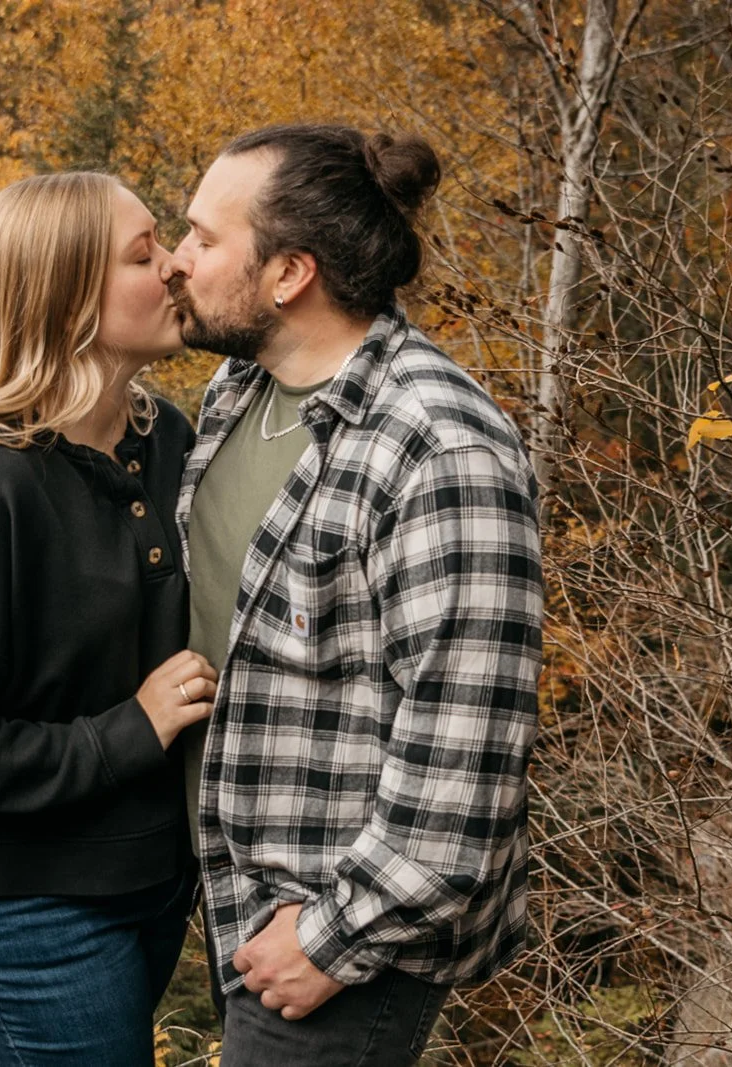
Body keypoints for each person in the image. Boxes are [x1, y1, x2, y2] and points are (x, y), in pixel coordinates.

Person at [165, 125, 544, 1066]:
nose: (178, 260)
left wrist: (336, 938)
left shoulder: (439, 446)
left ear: (289, 273)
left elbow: (468, 742)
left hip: (339, 935)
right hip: (238, 896)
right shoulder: (235, 392)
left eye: (205, 238)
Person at [0, 171, 217, 1067]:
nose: (175, 265)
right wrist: (126, 733)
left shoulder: (164, 438)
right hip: (17, 903)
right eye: (143, 255)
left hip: (143, 880)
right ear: (64, 305)